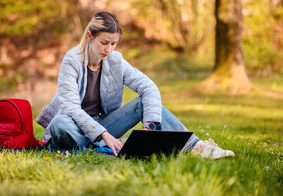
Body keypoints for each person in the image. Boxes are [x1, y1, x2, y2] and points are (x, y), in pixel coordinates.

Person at [36, 11, 235, 159]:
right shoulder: (71, 60)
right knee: (59, 124)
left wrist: (149, 126)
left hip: (103, 125)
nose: (109, 49)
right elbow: (70, 108)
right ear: (90, 36)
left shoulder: (115, 60)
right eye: (105, 43)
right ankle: (105, 144)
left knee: (143, 102)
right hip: (74, 128)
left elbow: (149, 88)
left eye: (114, 43)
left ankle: (197, 147)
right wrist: (104, 135)